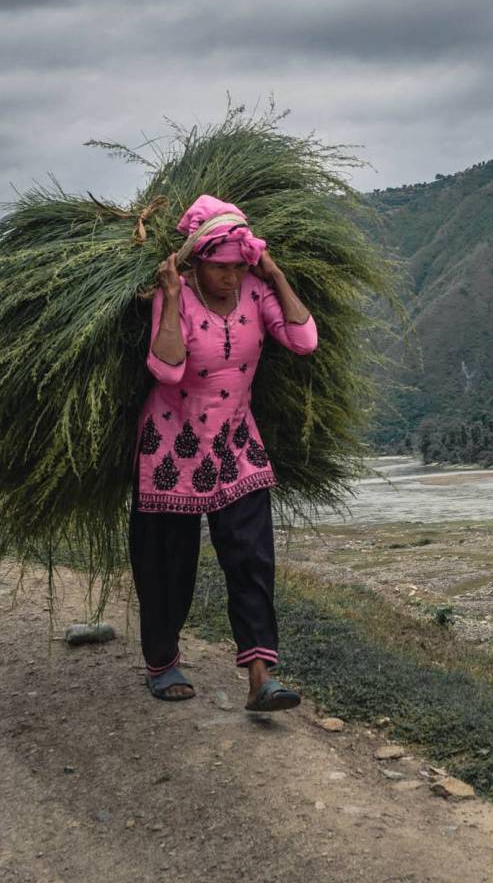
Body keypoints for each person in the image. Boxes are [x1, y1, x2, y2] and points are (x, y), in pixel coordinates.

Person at [130, 195, 318, 706]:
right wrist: (169, 298)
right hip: (173, 449)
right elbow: (167, 369)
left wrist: (275, 273)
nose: (230, 277)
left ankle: (262, 676)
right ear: (195, 262)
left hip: (237, 443)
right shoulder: (175, 299)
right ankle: (162, 662)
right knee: (168, 562)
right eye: (219, 267)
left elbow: (303, 340)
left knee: (251, 557)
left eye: (238, 266)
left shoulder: (257, 293)